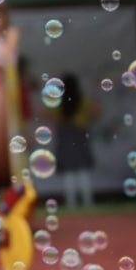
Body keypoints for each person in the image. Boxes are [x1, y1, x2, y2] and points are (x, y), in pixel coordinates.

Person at [52, 73, 98, 208]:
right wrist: (85, 118)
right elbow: (97, 109)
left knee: (68, 173)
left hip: (65, 136)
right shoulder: (82, 100)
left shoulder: (59, 102)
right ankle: (88, 203)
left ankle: (71, 204)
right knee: (83, 171)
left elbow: (47, 113)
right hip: (79, 134)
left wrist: (60, 120)